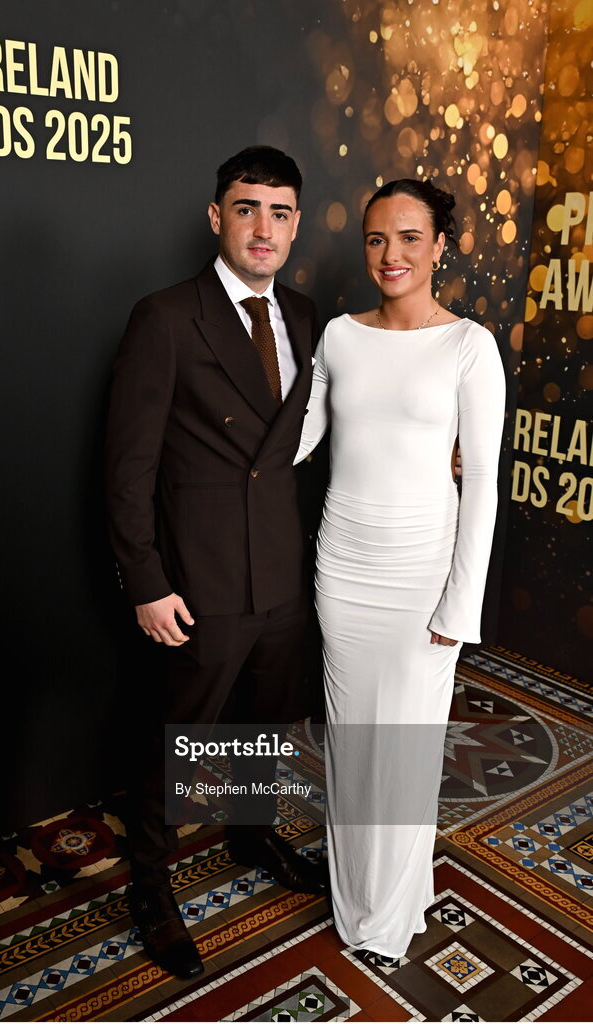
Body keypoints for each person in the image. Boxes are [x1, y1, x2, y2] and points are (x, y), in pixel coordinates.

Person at [105, 146, 326, 980]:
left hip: (278, 572)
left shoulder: (304, 315)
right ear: (216, 217)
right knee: (175, 740)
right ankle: (152, 889)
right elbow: (127, 467)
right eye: (246, 208)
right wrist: (146, 580)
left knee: (260, 726)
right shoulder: (165, 317)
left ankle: (248, 832)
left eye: (279, 212)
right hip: (195, 582)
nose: (262, 227)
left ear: (296, 224)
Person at [294, 179, 505, 959]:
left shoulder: (469, 346)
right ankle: (360, 903)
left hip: (423, 574)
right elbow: (297, 441)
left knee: (408, 747)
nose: (391, 255)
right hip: (343, 569)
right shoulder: (341, 337)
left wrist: (461, 605)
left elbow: (481, 481)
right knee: (352, 743)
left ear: (439, 246)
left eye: (410, 238)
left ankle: (391, 907)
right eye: (378, 239)